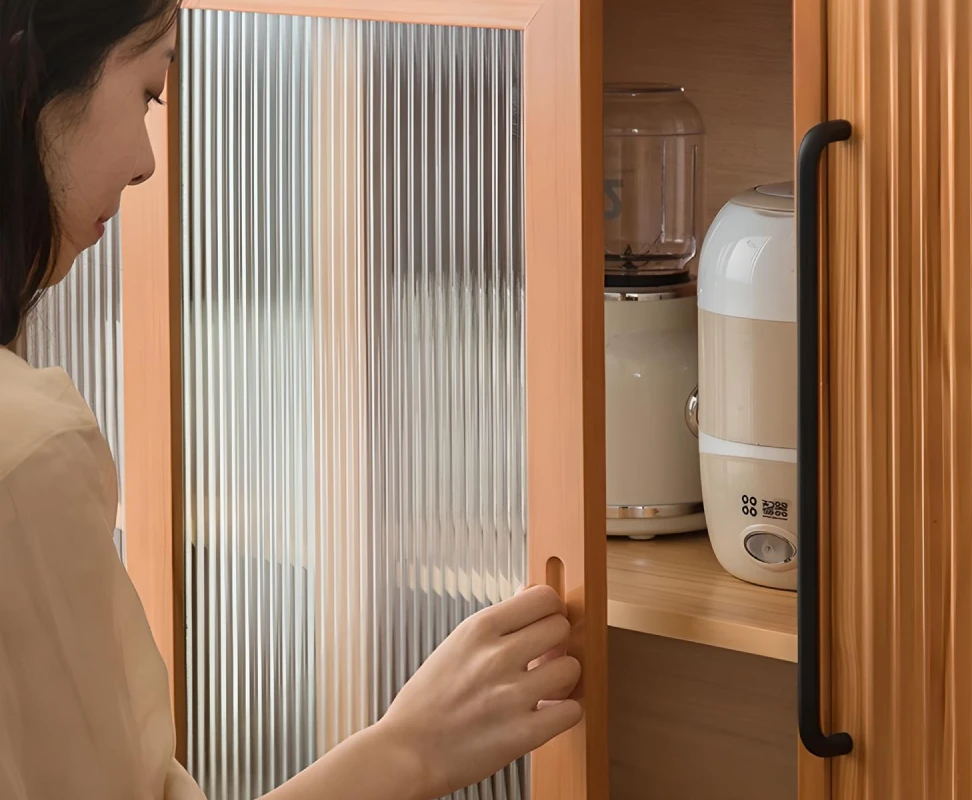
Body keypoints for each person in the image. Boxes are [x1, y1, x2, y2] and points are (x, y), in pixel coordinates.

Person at [0, 2, 584, 798]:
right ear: (30, 81)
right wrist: (410, 750)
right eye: (148, 91)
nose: (145, 161)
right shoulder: (26, 454)